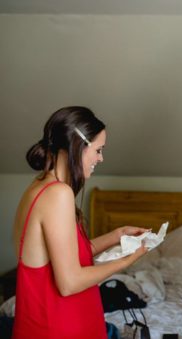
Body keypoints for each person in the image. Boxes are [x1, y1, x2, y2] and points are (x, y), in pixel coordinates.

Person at [12, 106, 150, 338]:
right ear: (78, 146)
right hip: (59, 328)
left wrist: (116, 236)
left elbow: (68, 255)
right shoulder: (58, 194)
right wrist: (125, 262)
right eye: (98, 150)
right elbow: (69, 283)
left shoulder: (39, 187)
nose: (101, 158)